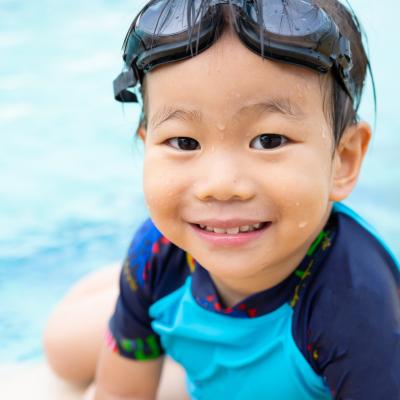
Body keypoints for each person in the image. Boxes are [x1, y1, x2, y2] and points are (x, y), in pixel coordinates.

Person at [43, 1, 400, 399]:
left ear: (343, 160)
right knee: (62, 349)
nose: (220, 185)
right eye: (184, 141)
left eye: (269, 140)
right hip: (208, 347)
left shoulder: (354, 301)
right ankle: (118, 291)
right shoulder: (157, 255)